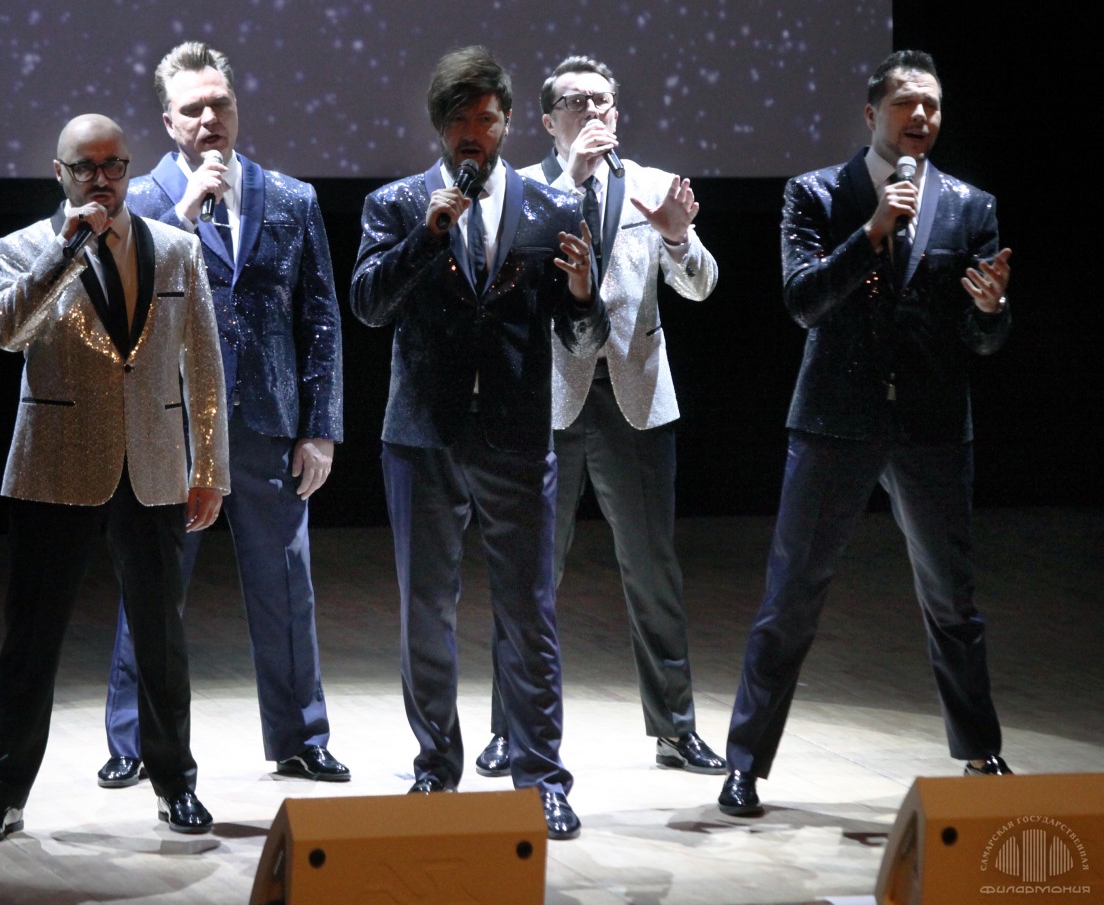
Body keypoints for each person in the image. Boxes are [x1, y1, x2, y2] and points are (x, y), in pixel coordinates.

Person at [718, 50, 1014, 816]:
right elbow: (803, 300)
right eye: (907, 102)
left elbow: (980, 338)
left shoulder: (970, 205)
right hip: (835, 420)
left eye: (933, 105)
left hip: (930, 425)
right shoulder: (818, 193)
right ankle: (744, 763)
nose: (922, 117)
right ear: (872, 112)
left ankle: (980, 750)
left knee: (952, 599)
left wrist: (990, 313)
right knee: (792, 597)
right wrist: (873, 230)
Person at [350, 46, 609, 840]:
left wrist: (582, 293)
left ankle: (542, 778)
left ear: (507, 123)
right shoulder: (398, 204)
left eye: (487, 119)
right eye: (460, 119)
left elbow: (582, 335)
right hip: (423, 436)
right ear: (440, 126)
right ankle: (436, 767)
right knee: (426, 609)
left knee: (528, 612)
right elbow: (368, 304)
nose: (474, 132)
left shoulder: (552, 206)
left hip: (515, 438)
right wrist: (426, 237)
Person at [0, 114, 229, 843]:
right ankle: (1, 793)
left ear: (129, 169)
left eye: (114, 165)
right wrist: (65, 249)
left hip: (152, 464)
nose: (102, 179)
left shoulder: (175, 248)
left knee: (162, 639)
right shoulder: (22, 248)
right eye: (86, 167)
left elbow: (203, 363)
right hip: (56, 463)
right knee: (32, 639)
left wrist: (209, 465)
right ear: (61, 173)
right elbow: (4, 331)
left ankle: (176, 784)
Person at [98, 42, 348, 788]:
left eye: (221, 104)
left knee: (286, 584)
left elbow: (320, 319)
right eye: (194, 109)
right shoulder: (141, 204)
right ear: (168, 122)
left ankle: (301, 737)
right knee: (153, 586)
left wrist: (320, 427)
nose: (210, 119)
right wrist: (181, 215)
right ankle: (133, 740)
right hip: (172, 425)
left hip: (267, 421)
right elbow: (119, 305)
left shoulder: (292, 199)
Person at [474, 55, 726, 780]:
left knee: (653, 570)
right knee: (531, 575)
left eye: (603, 101)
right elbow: (506, 279)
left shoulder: (653, 185)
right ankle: (509, 729)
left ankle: (676, 728)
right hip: (549, 401)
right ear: (548, 121)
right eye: (577, 102)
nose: (593, 112)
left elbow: (702, 285)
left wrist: (677, 237)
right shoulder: (522, 189)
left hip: (637, 400)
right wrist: (574, 184)